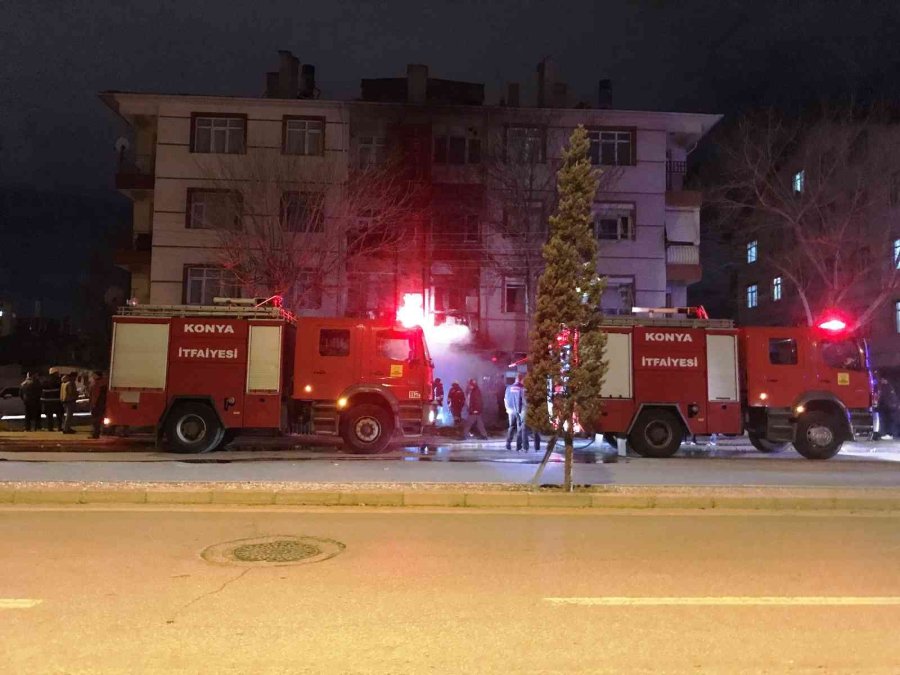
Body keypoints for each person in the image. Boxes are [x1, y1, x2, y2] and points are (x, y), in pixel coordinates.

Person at [504, 375, 525, 451]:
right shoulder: (521, 388)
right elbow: (522, 400)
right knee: (519, 428)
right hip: (519, 411)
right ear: (520, 380)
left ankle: (508, 443)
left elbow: (505, 399)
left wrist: (507, 409)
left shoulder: (509, 388)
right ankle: (518, 446)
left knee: (511, 427)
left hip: (510, 411)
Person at [876, 373, 899, 439]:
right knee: (890, 421)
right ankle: (890, 434)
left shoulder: (886, 387)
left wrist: (879, 405)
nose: (881, 381)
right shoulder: (890, 386)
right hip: (891, 407)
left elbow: (884, 398)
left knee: (887, 421)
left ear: (884, 379)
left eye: (882, 379)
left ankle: (888, 434)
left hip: (888, 407)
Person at [89, 370, 108, 439]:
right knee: (99, 419)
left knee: (96, 420)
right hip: (100, 404)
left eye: (93, 375)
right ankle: (98, 432)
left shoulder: (97, 383)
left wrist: (93, 404)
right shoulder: (104, 383)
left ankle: (95, 434)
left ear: (97, 375)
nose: (92, 376)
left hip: (97, 404)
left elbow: (95, 395)